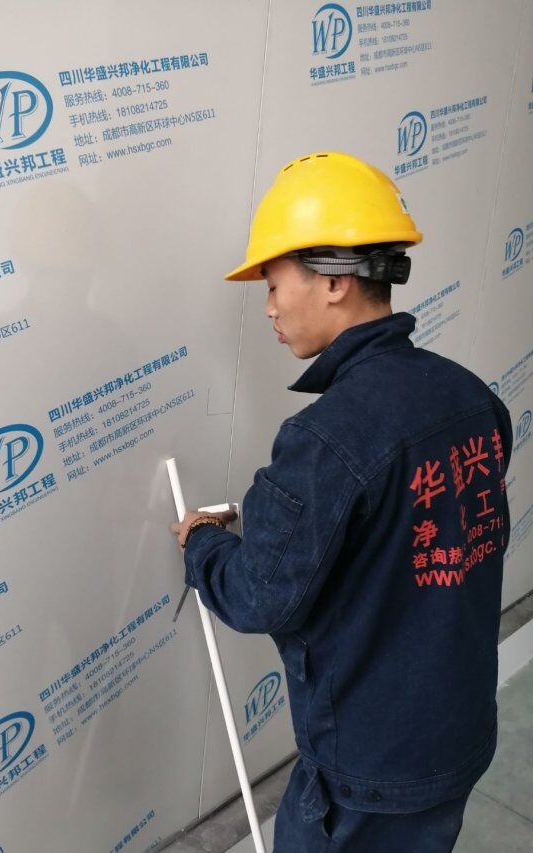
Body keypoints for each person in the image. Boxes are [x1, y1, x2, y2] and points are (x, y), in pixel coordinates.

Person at [169, 151, 512, 852]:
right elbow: (398, 537)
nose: (269, 306)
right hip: (457, 736)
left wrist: (202, 544)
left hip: (367, 772)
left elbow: (259, 596)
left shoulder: (325, 438)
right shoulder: (471, 397)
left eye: (274, 283)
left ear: (332, 279)